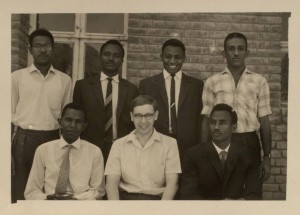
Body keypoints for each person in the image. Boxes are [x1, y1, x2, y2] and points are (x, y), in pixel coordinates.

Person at [200, 32, 272, 195]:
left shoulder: (259, 81)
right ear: (224, 53)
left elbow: (265, 120)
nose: (236, 53)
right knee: (224, 193)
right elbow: (206, 119)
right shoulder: (213, 81)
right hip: (222, 143)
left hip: (249, 141)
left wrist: (267, 156)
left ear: (247, 52)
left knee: (253, 192)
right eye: (231, 49)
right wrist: (204, 154)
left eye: (240, 48)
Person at [11, 28, 72, 202]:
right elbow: (6, 117)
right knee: (20, 190)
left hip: (52, 139)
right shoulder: (17, 77)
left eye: (47, 46)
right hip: (24, 140)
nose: (42, 49)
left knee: (49, 190)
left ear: (53, 48)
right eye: (38, 46)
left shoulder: (64, 80)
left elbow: (66, 119)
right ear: (30, 49)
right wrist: (7, 152)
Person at [73, 40, 139, 163]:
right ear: (100, 57)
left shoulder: (132, 90)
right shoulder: (83, 86)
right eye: (106, 54)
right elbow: (76, 119)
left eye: (116, 56)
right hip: (88, 149)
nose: (111, 59)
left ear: (122, 60)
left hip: (121, 150)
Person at [105, 95, 181, 200]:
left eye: (148, 115)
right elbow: (111, 184)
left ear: (156, 115)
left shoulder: (170, 144)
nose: (143, 121)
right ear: (131, 116)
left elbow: (172, 184)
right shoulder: (118, 145)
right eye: (138, 115)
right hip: (126, 201)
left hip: (156, 202)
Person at [24, 103, 105, 200]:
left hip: (81, 205)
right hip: (50, 205)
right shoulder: (43, 150)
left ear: (84, 126)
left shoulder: (94, 152)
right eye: (68, 120)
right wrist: (48, 198)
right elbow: (31, 191)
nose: (73, 125)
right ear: (60, 122)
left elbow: (98, 191)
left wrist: (75, 199)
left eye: (78, 122)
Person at [139, 38, 204, 161]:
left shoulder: (196, 85)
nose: (172, 61)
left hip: (188, 146)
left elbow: (199, 119)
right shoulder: (147, 84)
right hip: (155, 143)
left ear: (184, 58)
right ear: (161, 57)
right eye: (168, 56)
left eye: (177, 57)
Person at [180, 104, 261, 200]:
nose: (216, 127)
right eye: (213, 122)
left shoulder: (247, 155)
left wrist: (237, 204)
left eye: (222, 123)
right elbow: (188, 194)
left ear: (234, 127)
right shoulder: (193, 155)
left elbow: (254, 193)